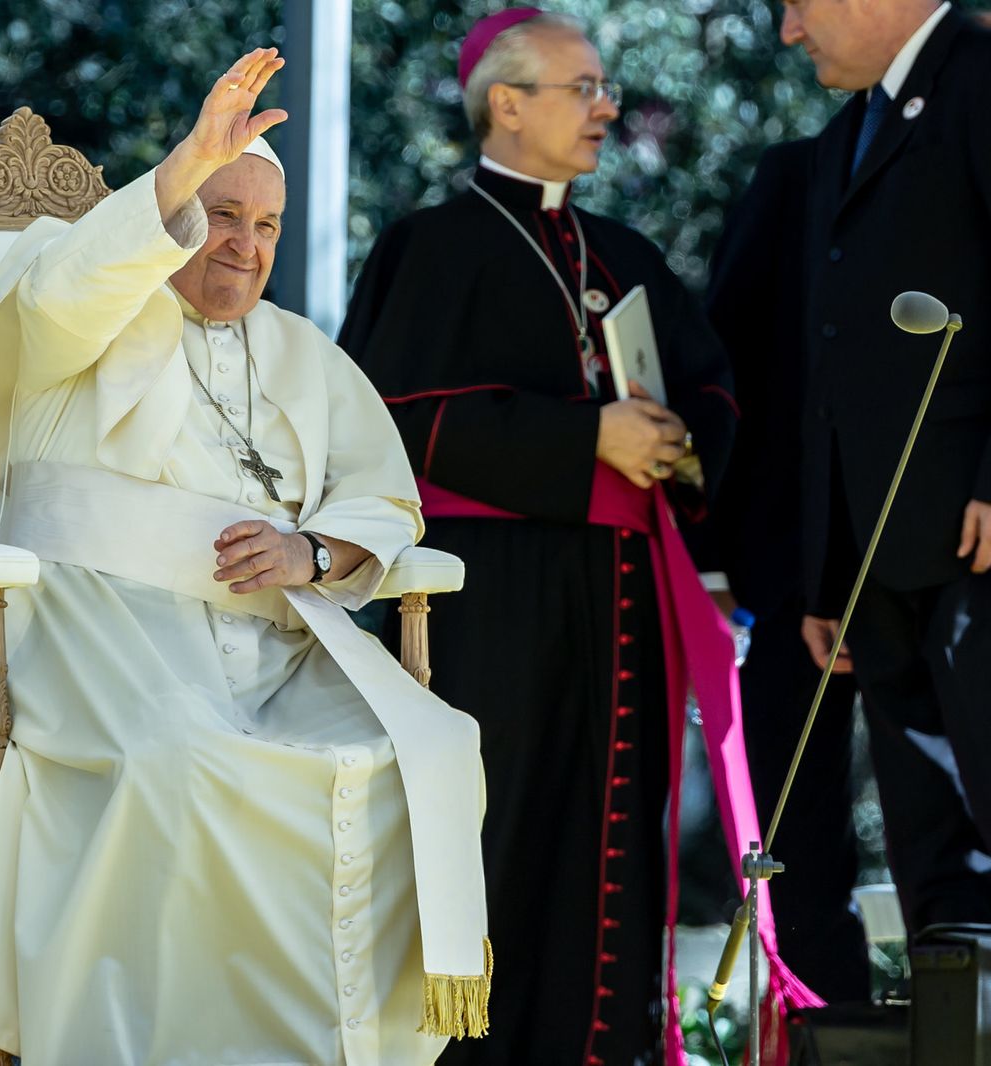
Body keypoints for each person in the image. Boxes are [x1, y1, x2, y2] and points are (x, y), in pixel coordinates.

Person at [0, 49, 490, 1066]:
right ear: (176, 208)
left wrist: (311, 549)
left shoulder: (302, 350)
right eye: (225, 213)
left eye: (266, 225)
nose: (246, 245)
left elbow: (385, 494)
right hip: (100, 626)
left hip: (273, 644)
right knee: (182, 766)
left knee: (426, 754)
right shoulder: (88, 301)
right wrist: (185, 166)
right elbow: (59, 300)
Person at [340, 10, 745, 1064]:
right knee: (500, 843)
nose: (606, 107)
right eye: (583, 87)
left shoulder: (626, 253)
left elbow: (712, 396)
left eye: (606, 88)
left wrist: (673, 440)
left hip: (621, 598)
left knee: (607, 858)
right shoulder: (427, 249)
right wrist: (584, 439)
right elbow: (390, 419)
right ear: (506, 103)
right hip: (493, 607)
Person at [782, 0, 991, 935]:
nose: (789, 30)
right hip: (883, 559)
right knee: (939, 882)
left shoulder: (982, 82)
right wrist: (834, 569)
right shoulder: (845, 130)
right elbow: (837, 366)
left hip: (973, 542)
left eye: (796, 4)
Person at [702, 138, 870, 1003]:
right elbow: (728, 359)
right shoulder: (800, 172)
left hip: (952, 559)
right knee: (797, 828)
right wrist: (719, 559)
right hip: (786, 565)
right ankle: (824, 1032)